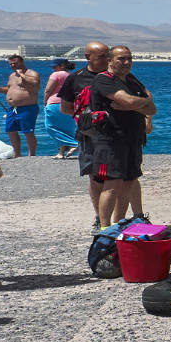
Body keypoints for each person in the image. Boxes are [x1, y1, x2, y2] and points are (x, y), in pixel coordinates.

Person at [82, 47, 157, 226]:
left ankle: (120, 223)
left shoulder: (131, 80)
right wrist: (138, 104)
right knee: (112, 184)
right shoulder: (104, 80)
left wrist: (138, 105)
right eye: (121, 59)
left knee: (129, 181)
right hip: (111, 140)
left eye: (129, 59)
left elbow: (151, 107)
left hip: (133, 138)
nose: (126, 62)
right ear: (109, 60)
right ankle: (105, 228)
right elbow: (129, 101)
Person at [58, 41, 112, 226]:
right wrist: (87, 116)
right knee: (95, 176)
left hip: (115, 135)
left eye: (108, 56)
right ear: (88, 57)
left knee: (118, 177)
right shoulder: (76, 78)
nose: (107, 60)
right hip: (89, 136)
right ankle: (100, 217)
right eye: (101, 57)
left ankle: (119, 218)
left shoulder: (116, 77)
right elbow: (65, 107)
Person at [0, 54, 40, 157]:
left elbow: (35, 84)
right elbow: (9, 89)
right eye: (11, 64)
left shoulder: (32, 73)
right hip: (12, 109)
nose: (13, 65)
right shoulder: (12, 76)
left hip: (28, 107)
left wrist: (22, 74)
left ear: (22, 62)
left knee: (28, 132)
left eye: (15, 63)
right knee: (10, 131)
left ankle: (32, 155)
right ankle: (17, 154)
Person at [42, 58, 76, 158]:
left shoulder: (56, 75)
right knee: (65, 128)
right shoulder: (72, 76)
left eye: (54, 67)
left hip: (54, 103)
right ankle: (61, 153)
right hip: (69, 104)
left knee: (51, 127)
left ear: (61, 66)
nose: (53, 69)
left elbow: (48, 90)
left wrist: (45, 101)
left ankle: (75, 143)